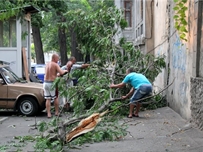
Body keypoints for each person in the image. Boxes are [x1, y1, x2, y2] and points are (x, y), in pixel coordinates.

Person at [43, 54, 68, 118]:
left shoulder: (47, 64)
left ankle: (49, 113)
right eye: (58, 58)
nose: (58, 60)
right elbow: (61, 72)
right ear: (54, 58)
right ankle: (57, 112)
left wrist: (57, 75)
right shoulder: (55, 64)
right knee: (55, 97)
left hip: (45, 83)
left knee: (48, 99)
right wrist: (65, 71)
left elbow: (50, 73)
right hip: (52, 83)